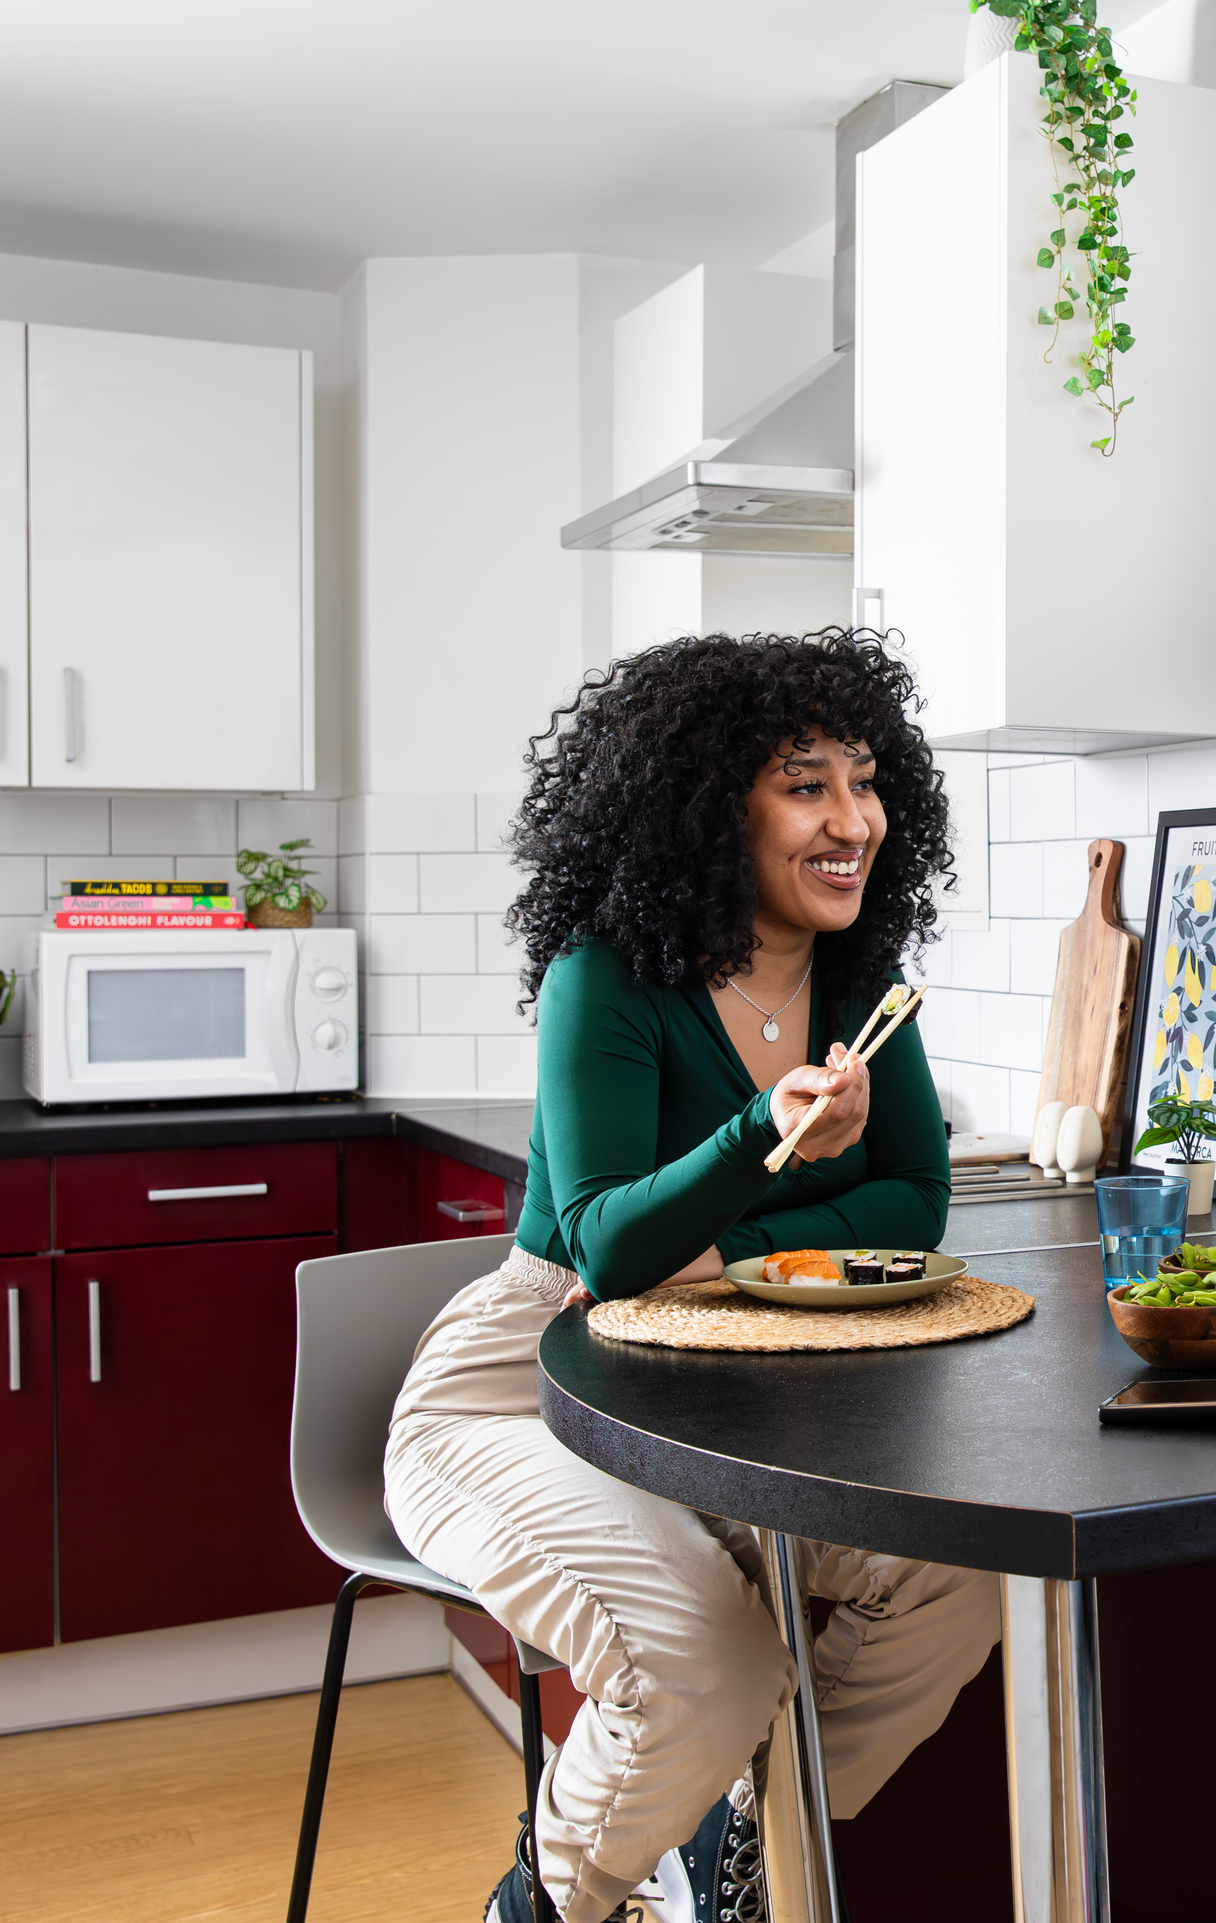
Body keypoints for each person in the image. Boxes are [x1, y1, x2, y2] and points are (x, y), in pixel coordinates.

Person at [383, 630, 1000, 1923]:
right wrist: (758, 1141)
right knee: (706, 1663)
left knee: (947, 1576)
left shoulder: (863, 983)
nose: (854, 822)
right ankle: (555, 1899)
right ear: (708, 808)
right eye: (806, 782)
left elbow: (916, 1202)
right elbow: (607, 1247)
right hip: (521, 1388)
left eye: (869, 781)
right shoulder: (604, 979)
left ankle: (736, 1845)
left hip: (720, 1389)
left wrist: (723, 1243)